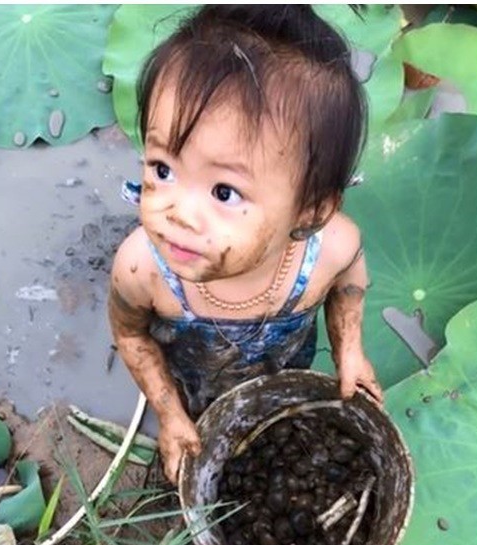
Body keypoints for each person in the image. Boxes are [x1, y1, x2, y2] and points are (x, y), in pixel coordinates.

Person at [109, 4, 383, 485]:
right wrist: (171, 415)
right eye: (162, 169)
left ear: (311, 211)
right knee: (199, 413)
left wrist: (351, 349)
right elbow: (132, 335)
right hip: (194, 382)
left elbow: (349, 281)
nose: (177, 214)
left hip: (283, 371)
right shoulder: (142, 270)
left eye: (224, 192)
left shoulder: (332, 249)